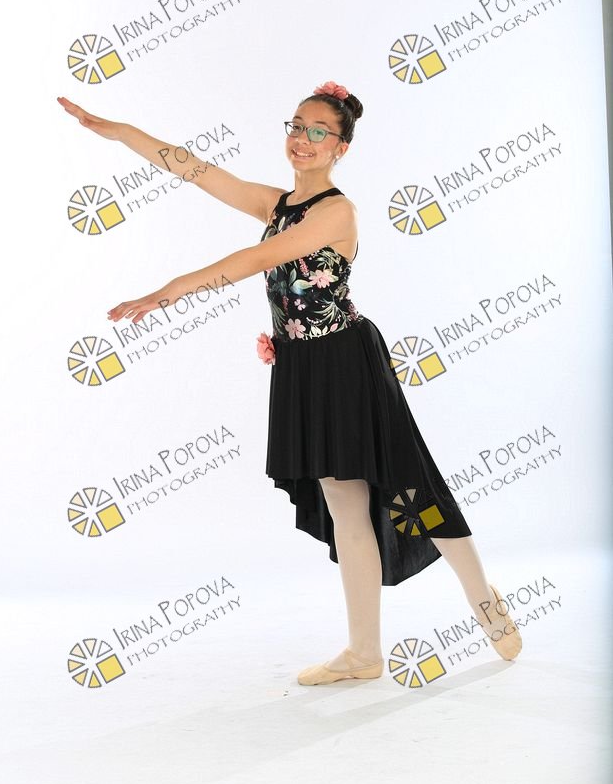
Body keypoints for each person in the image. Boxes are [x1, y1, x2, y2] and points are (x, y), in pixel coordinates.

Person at [57, 83, 522, 685]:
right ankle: (364, 652)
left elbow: (253, 262)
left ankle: (485, 602)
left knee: (411, 494)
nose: (303, 139)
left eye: (318, 131)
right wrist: (119, 132)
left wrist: (166, 292)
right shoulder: (277, 204)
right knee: (345, 505)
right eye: (297, 126)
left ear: (341, 147)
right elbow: (195, 169)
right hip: (303, 368)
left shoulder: (337, 212)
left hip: (348, 363)